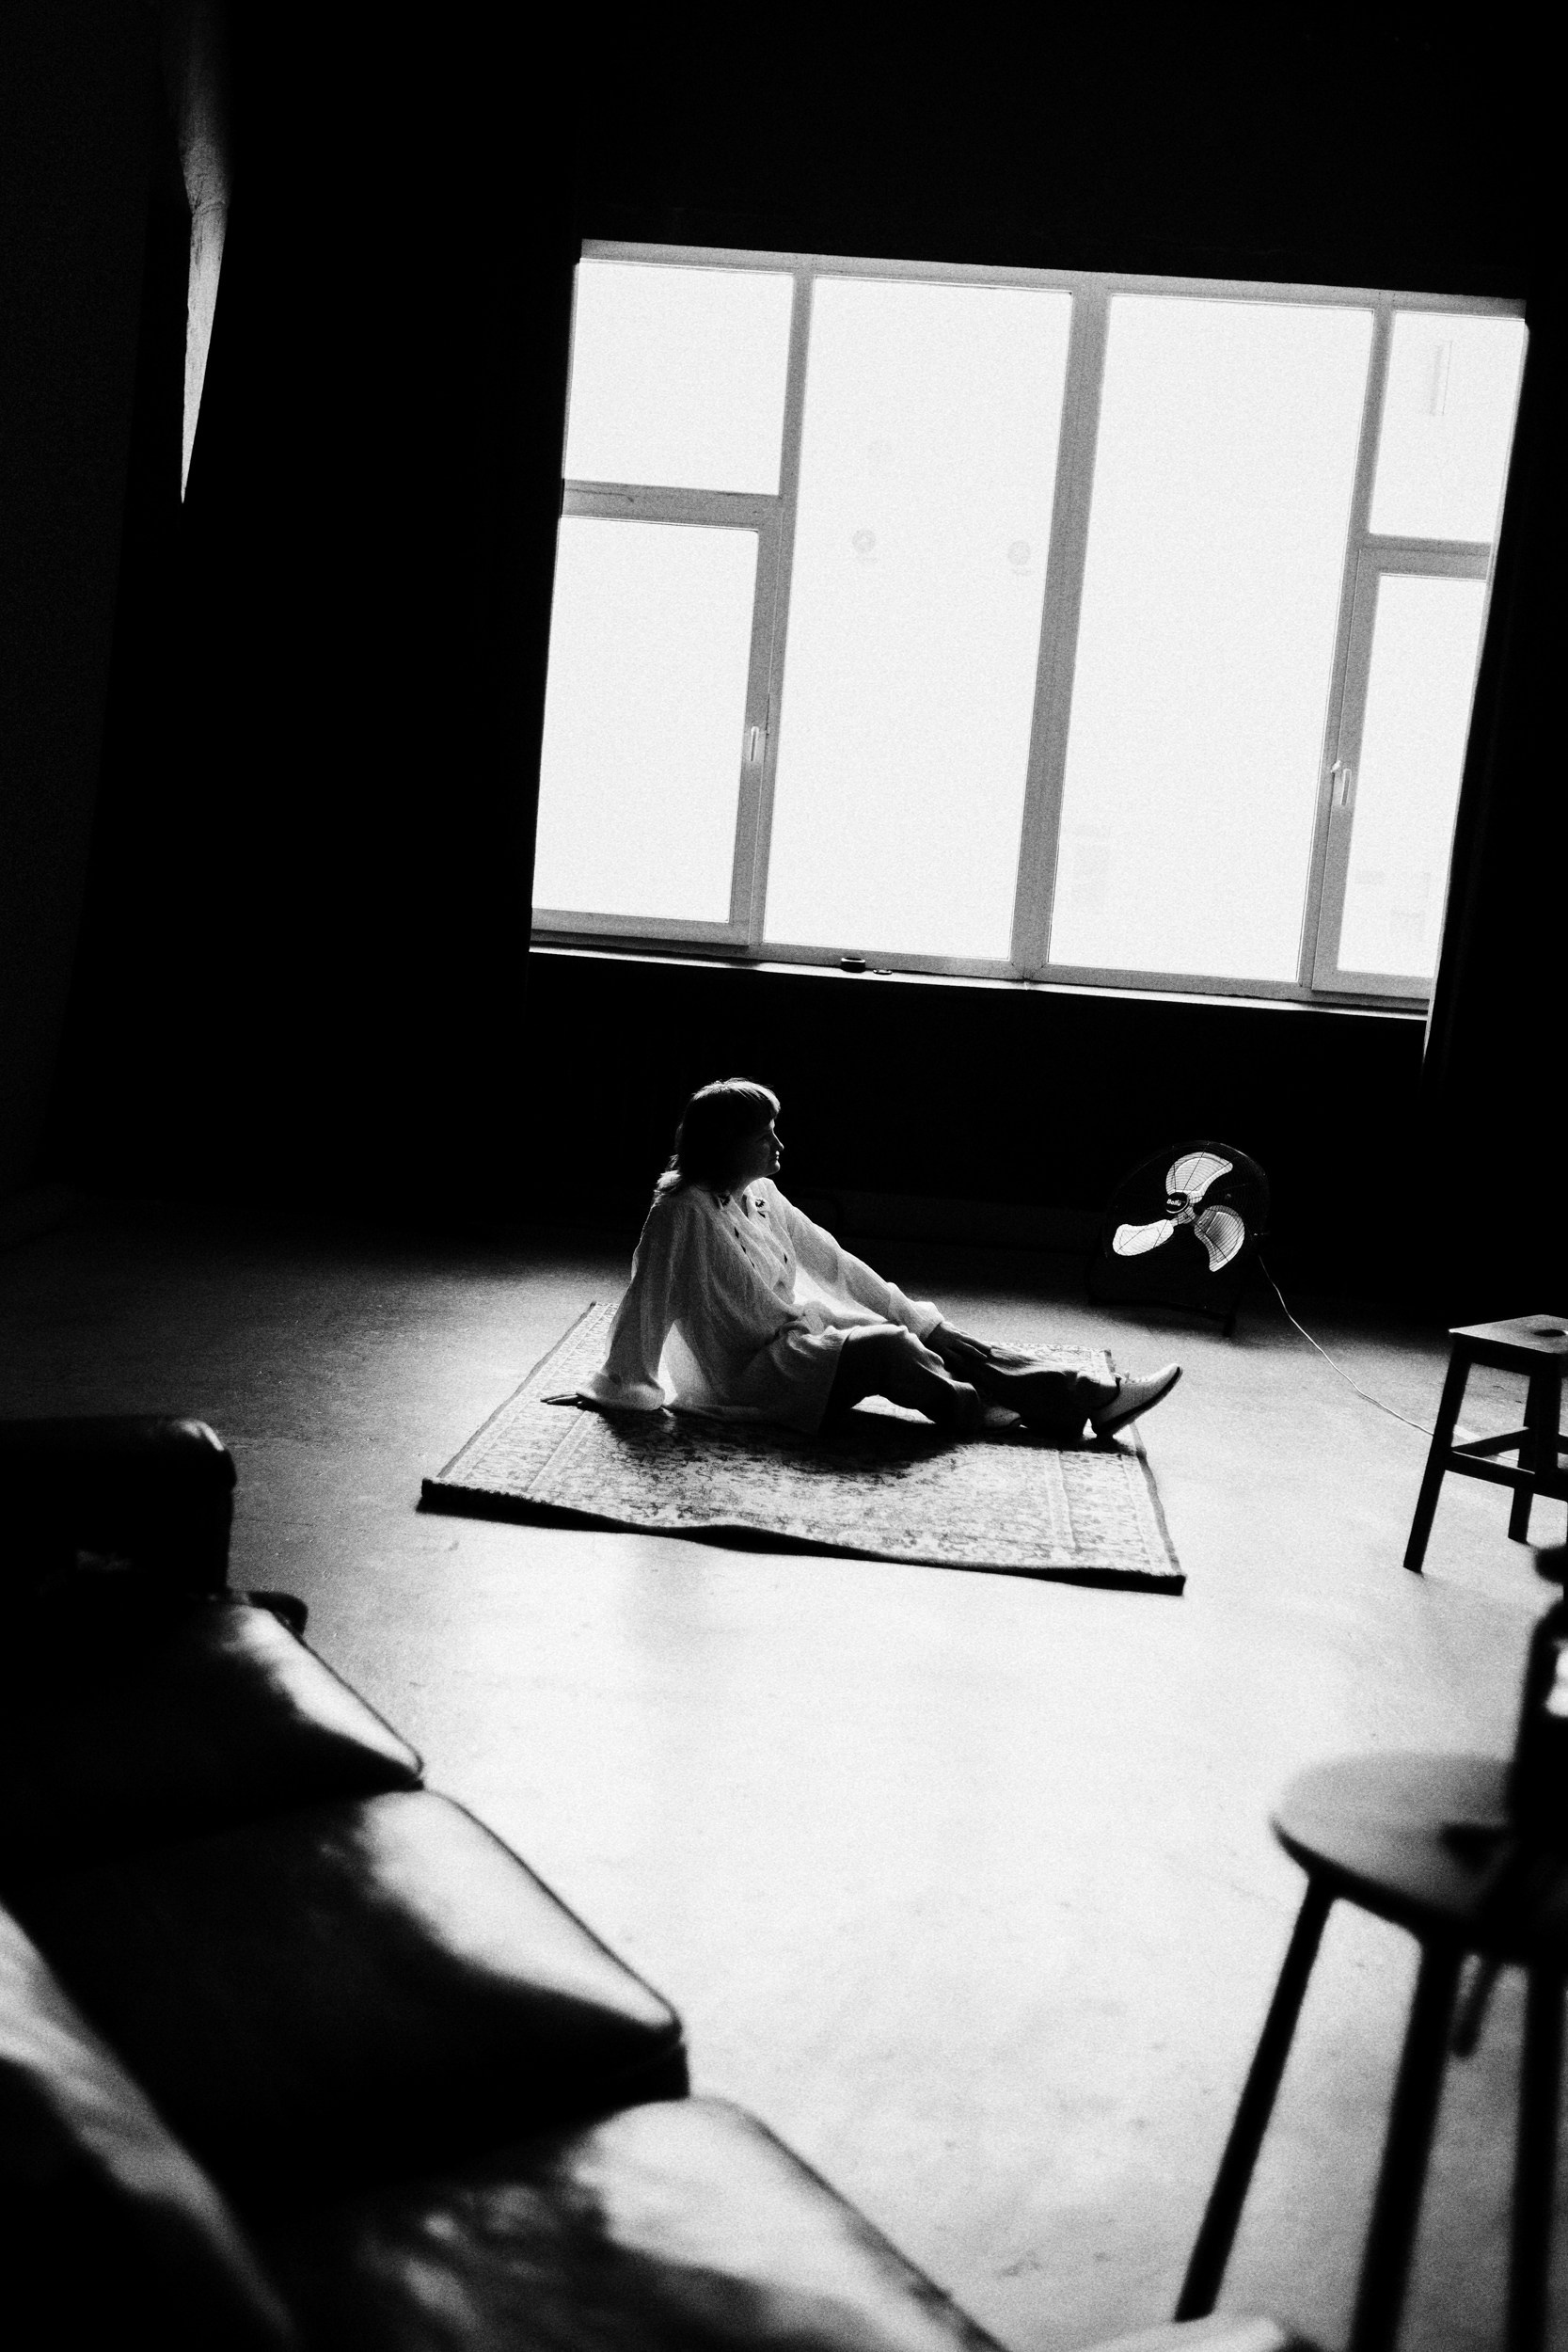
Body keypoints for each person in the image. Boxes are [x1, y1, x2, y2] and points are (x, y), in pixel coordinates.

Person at [578, 1078, 1181, 1442]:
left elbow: (835, 1263)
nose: (779, 1144)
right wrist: (623, 1385)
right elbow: (646, 1299)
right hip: (748, 1381)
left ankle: (1084, 1397)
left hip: (793, 1343)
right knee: (892, 1350)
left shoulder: (759, 1192)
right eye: (765, 1135)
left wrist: (920, 1318)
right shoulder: (680, 1212)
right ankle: (1009, 1407)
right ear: (726, 1145)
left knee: (922, 1335)